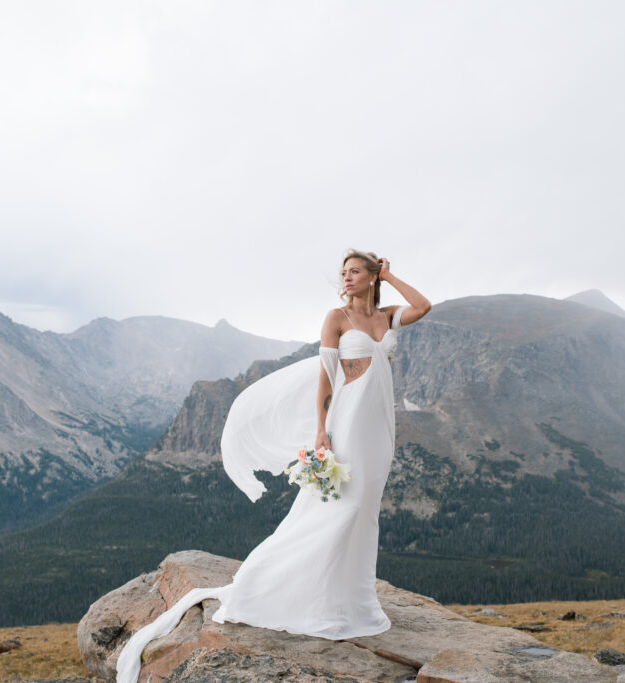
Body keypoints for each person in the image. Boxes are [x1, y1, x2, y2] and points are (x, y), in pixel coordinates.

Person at [116, 249, 430, 683]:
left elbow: (424, 307)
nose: (347, 277)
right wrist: (321, 430)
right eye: (344, 272)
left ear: (372, 275)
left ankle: (351, 600)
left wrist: (391, 278)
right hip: (349, 421)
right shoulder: (336, 318)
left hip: (380, 427)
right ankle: (282, 587)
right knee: (342, 507)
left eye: (355, 271)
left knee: (365, 513)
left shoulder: (388, 315)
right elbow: (325, 376)